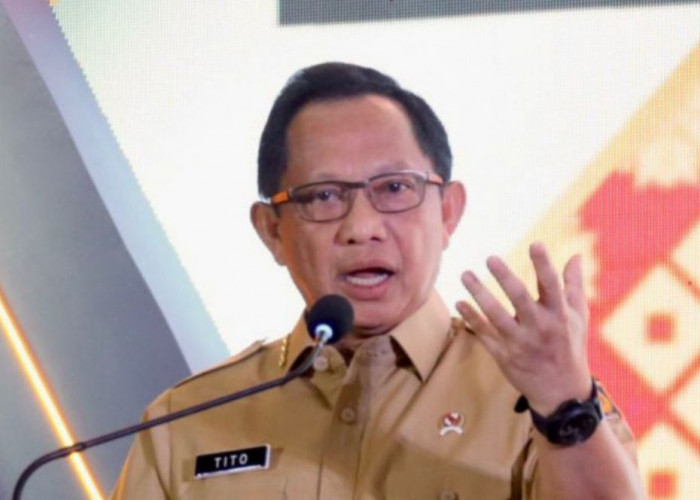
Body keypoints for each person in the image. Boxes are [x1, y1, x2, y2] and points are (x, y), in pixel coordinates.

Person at [110, 62, 644, 499]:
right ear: (272, 231)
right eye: (323, 196)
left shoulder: (540, 401)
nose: (361, 227)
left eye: (394, 188)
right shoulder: (186, 423)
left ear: (448, 212)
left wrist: (564, 407)